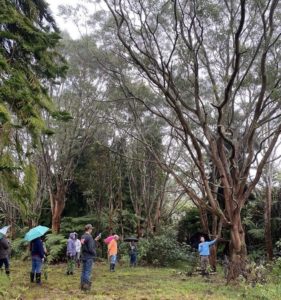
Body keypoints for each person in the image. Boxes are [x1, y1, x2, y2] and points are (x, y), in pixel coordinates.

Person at [80, 224, 100, 291]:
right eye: (91, 229)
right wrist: (94, 253)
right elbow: (91, 248)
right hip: (89, 257)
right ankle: (86, 287)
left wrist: (95, 240)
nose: (92, 230)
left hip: (84, 256)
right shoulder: (89, 237)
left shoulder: (83, 236)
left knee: (83, 271)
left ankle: (82, 286)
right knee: (87, 272)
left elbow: (86, 245)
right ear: (89, 229)